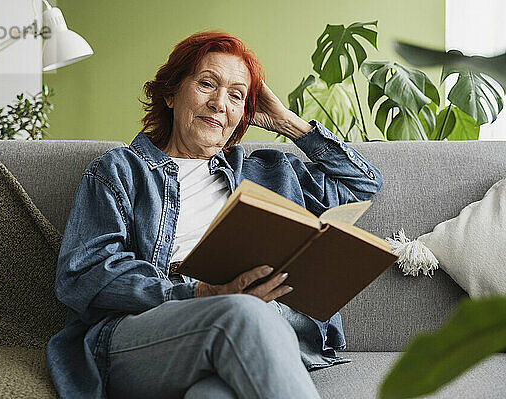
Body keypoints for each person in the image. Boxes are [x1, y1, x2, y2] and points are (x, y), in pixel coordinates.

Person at [46, 30, 383, 399]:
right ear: (171, 93)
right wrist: (200, 293)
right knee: (239, 312)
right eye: (207, 84)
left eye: (236, 96)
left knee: (212, 395)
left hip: (263, 331)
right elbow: (83, 273)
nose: (220, 103)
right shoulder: (121, 170)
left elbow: (363, 184)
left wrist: (287, 123)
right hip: (143, 335)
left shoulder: (271, 172)